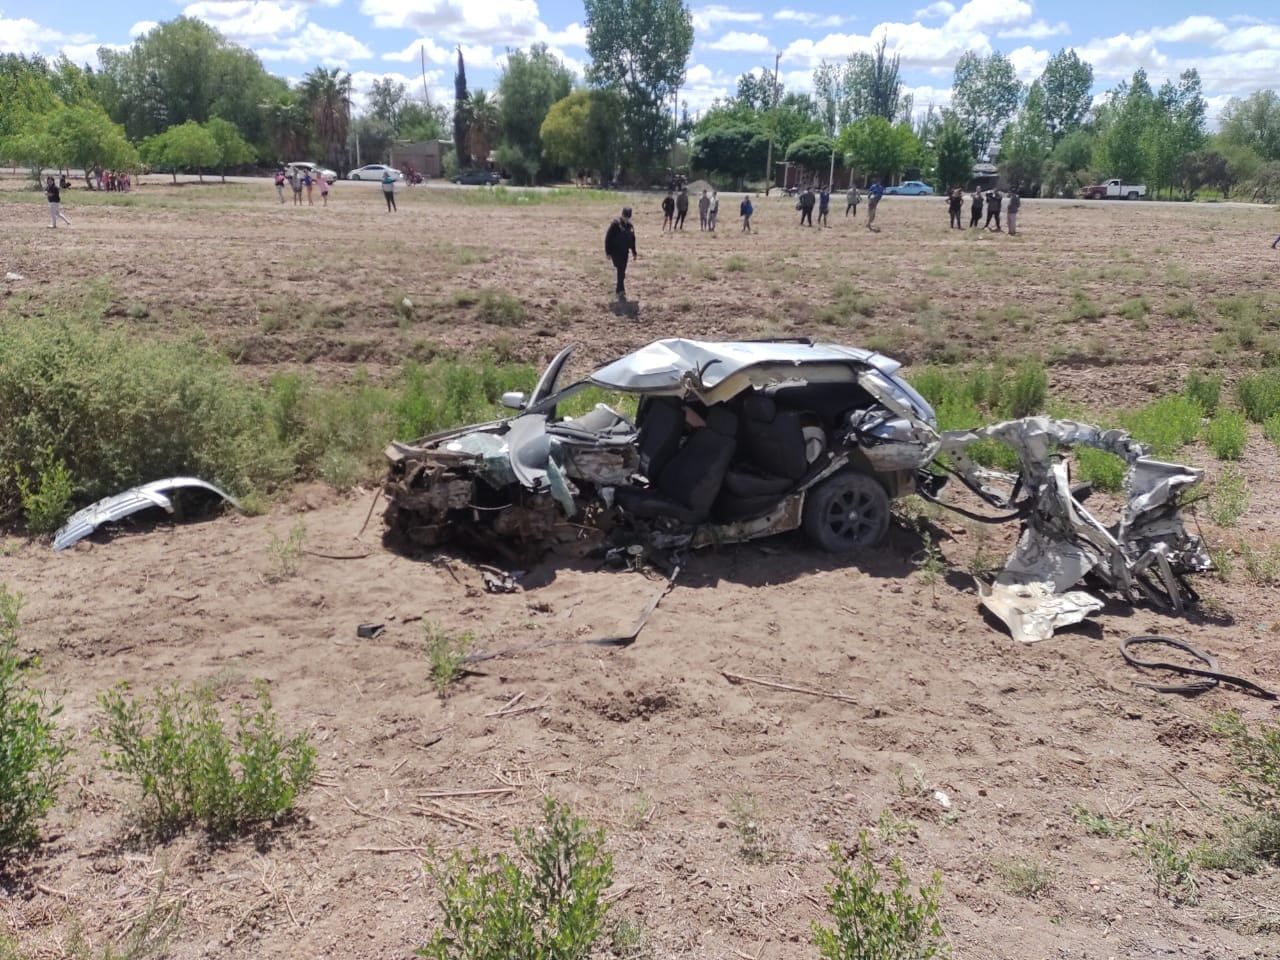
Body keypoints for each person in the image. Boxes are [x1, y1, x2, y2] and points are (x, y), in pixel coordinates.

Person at [604, 206, 638, 301]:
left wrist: (634, 252)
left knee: (622, 272)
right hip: (616, 252)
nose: (626, 219)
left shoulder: (630, 226)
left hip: (625, 252)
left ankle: (620, 289)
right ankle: (620, 290)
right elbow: (608, 238)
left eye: (628, 217)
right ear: (622, 215)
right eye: (625, 216)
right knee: (620, 270)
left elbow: (632, 240)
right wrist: (608, 252)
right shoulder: (615, 224)